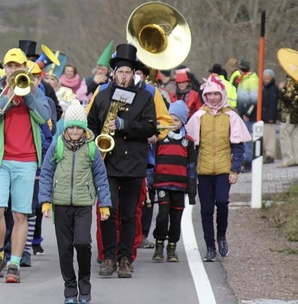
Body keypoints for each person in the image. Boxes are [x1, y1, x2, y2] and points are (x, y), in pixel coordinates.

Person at [0, 47, 51, 283]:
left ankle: (15, 264)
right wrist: (7, 98)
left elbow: (45, 117)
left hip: (27, 160)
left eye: (17, 65)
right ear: (5, 68)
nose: (13, 69)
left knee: (21, 214)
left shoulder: (35, 90)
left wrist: (27, 93)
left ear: (23, 67)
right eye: (9, 66)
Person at [86, 43, 157, 278]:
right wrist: (96, 142)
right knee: (109, 210)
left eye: (129, 72)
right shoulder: (103, 95)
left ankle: (126, 258)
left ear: (133, 74)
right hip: (107, 163)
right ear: (113, 73)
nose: (124, 76)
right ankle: (108, 257)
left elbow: (150, 127)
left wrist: (125, 125)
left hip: (134, 164)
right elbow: (92, 126)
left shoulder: (145, 98)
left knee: (129, 214)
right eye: (120, 72)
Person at [39, 100, 111, 304]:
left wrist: (104, 204)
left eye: (78, 128)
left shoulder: (91, 149)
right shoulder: (57, 145)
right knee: (64, 248)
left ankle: (85, 285)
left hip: (83, 205)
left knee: (82, 243)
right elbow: (46, 173)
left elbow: (101, 177)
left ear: (84, 128)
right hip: (61, 204)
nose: (74, 131)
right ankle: (70, 289)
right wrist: (45, 201)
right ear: (66, 127)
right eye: (70, 127)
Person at [186, 74, 251, 262]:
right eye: (209, 94)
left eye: (216, 94)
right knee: (206, 209)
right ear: (205, 96)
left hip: (223, 168)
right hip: (203, 170)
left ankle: (221, 236)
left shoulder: (231, 116)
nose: (213, 98)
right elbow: (192, 148)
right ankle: (210, 247)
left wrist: (235, 170)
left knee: (222, 202)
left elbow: (238, 146)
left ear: (221, 94)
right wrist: (192, 173)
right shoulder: (198, 117)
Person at [151, 100, 197, 263]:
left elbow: (192, 167)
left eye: (176, 120)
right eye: (170, 120)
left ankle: (172, 246)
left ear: (183, 121)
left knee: (176, 216)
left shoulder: (188, 142)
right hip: (162, 183)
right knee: (163, 215)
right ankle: (159, 244)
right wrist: (151, 183)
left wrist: (192, 192)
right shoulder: (160, 139)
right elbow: (153, 161)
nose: (172, 124)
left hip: (180, 185)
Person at [234, 59, 258, 172]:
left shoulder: (252, 80)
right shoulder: (243, 79)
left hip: (248, 115)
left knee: (247, 139)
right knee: (244, 138)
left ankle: (249, 162)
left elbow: (254, 99)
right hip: (242, 113)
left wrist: (248, 113)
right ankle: (246, 160)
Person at [278, 75, 298, 167]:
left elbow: (288, 98)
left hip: (288, 113)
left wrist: (281, 89)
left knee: (285, 135)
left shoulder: (291, 81)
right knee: (294, 135)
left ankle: (288, 158)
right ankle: (296, 157)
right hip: (295, 113)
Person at [261, 68, 279, 164]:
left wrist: (272, 116)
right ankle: (264, 154)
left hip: (269, 116)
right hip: (262, 116)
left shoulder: (273, 88)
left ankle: (270, 154)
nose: (266, 78)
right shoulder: (262, 87)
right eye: (265, 76)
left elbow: (273, 103)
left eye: (268, 76)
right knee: (264, 136)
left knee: (270, 136)